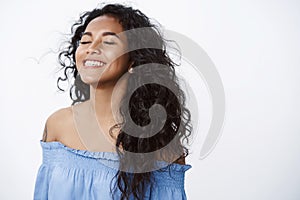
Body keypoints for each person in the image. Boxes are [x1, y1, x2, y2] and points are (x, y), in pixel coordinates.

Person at [34, 3, 192, 200]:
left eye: (108, 42)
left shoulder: (162, 146)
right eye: (85, 42)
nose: (91, 49)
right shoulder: (58, 126)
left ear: (133, 60)